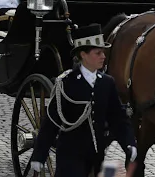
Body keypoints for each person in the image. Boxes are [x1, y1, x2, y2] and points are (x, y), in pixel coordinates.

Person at [31, 24, 137, 176]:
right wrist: (39, 155)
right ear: (83, 55)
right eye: (98, 53)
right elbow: (52, 121)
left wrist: (129, 143)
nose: (103, 57)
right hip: (70, 157)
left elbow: (117, 118)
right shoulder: (66, 83)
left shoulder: (107, 82)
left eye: (103, 52)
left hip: (95, 156)